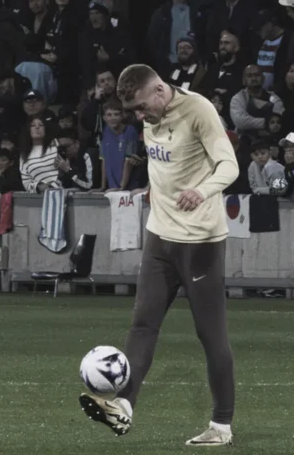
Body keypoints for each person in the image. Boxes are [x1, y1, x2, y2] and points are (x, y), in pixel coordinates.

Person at [79, 64, 238, 446]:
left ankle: (222, 426)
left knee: (211, 335)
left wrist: (201, 191)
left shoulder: (197, 110)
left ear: (159, 91)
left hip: (200, 243)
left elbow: (229, 165)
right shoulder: (151, 115)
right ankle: (123, 407)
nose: (138, 117)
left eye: (140, 108)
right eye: (131, 110)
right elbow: (165, 166)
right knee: (143, 324)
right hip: (160, 238)